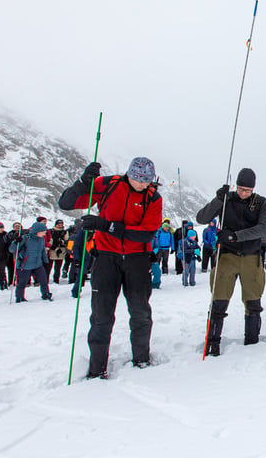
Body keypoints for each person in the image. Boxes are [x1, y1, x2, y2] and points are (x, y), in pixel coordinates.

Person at [58, 157, 162, 378]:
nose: (143, 184)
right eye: (138, 179)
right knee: (101, 315)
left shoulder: (153, 197)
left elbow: (145, 233)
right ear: (129, 174)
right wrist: (83, 183)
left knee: (140, 312)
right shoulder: (109, 184)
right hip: (106, 258)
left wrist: (107, 226)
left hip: (138, 259)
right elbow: (66, 203)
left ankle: (141, 359)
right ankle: (97, 368)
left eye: (147, 180)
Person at [196, 168, 266, 357]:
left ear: (253, 188)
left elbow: (262, 229)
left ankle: (252, 343)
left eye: (247, 190)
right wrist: (218, 200)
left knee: (253, 302)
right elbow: (201, 218)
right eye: (240, 188)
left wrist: (235, 236)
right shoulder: (226, 199)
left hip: (251, 257)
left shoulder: (262, 203)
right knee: (218, 301)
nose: (243, 193)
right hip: (226, 257)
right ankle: (212, 343)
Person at [9, 220, 52, 303]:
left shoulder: (41, 239)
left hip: (38, 264)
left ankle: (46, 294)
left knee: (44, 280)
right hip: (25, 265)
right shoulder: (25, 238)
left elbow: (42, 250)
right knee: (22, 283)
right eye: (43, 232)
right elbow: (12, 250)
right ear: (37, 231)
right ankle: (20, 297)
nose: (45, 233)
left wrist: (45, 261)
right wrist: (15, 242)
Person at [48, 219, 69, 284]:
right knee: (49, 267)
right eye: (58, 225)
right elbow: (50, 240)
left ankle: (56, 279)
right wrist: (55, 246)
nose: (60, 226)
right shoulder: (51, 231)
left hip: (61, 251)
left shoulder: (65, 232)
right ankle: (46, 279)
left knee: (58, 267)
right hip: (52, 250)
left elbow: (66, 240)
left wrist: (63, 242)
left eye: (61, 225)